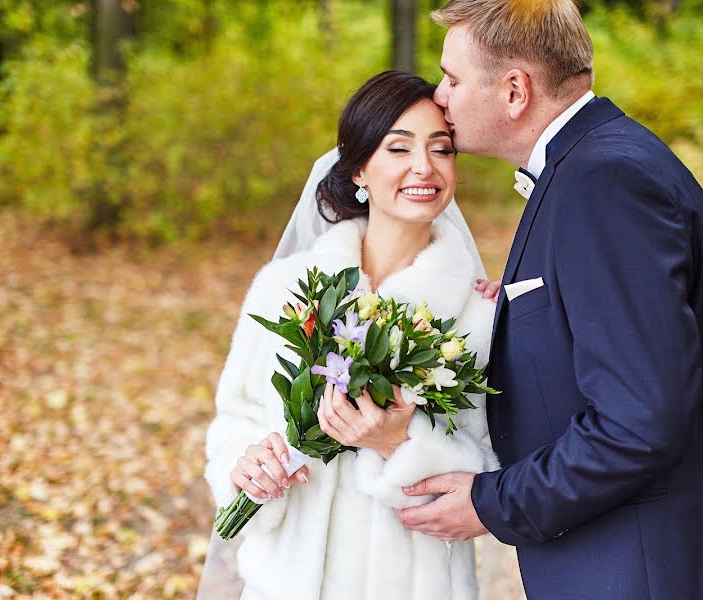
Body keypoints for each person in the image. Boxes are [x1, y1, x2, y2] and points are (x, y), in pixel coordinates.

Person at [395, 2, 703, 599]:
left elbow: (641, 420)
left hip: (644, 570)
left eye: (453, 78)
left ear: (515, 90)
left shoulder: (604, 182)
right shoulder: (592, 167)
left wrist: (494, 503)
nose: (441, 95)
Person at [202, 71, 504, 600]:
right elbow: (236, 418)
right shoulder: (286, 290)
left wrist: (400, 444)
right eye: (398, 148)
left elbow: (493, 467)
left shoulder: (478, 317)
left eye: (442, 149)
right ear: (360, 167)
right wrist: (246, 465)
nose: (424, 168)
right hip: (285, 583)